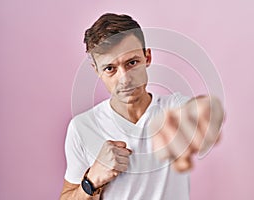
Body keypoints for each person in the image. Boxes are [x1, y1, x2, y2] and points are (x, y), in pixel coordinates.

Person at [60, 13, 224, 200]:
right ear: (96, 70)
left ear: (147, 57)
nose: (125, 79)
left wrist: (205, 114)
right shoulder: (82, 127)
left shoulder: (175, 109)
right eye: (110, 68)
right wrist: (91, 181)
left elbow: (210, 113)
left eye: (132, 63)